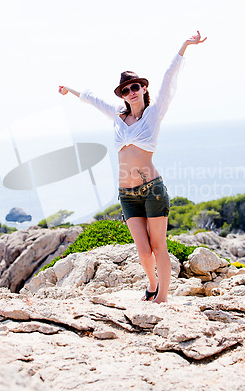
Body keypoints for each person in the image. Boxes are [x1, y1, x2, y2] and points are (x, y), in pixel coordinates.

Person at [59, 31, 207, 303]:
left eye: (135, 87)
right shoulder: (117, 116)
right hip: (126, 193)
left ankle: (162, 297)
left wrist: (184, 46)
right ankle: (152, 284)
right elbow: (93, 99)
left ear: (143, 89)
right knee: (142, 249)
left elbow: (169, 77)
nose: (131, 92)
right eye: (126, 90)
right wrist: (70, 90)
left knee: (157, 245)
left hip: (152, 189)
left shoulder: (154, 112)